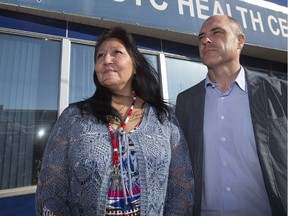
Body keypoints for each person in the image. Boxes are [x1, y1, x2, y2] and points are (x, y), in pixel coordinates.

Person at [35, 26, 194, 216]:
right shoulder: (74, 118)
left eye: (116, 52)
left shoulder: (164, 118)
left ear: (135, 65)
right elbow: (50, 190)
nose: (106, 60)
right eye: (100, 56)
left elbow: (182, 185)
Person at [175, 15, 287, 216]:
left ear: (240, 41)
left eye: (216, 33)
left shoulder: (279, 93)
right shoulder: (186, 102)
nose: (205, 40)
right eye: (201, 37)